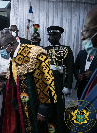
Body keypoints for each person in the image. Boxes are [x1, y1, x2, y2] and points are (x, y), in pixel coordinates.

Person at [0, 34, 57, 133]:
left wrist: (43, 110)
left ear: (10, 45)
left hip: (36, 107)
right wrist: (3, 85)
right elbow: (15, 82)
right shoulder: (13, 59)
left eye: (1, 48)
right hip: (21, 106)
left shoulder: (34, 53)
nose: (0, 51)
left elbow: (46, 82)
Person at [70, 5, 97, 133]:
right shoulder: (82, 53)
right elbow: (74, 67)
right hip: (81, 85)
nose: (82, 37)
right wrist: (78, 75)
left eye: (86, 30)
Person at [45, 26, 74, 95]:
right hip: (46, 81)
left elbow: (70, 68)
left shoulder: (66, 49)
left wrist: (67, 86)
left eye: (54, 35)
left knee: (58, 103)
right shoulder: (45, 49)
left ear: (59, 36)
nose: (51, 37)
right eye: (50, 35)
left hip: (59, 81)